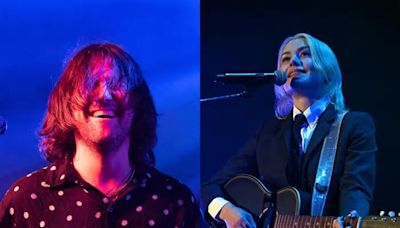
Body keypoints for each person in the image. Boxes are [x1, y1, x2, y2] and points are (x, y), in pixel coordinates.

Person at [0, 43, 199, 227]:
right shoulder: (25, 200)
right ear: (67, 104)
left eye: (118, 84)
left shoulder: (176, 201)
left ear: (139, 104)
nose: (104, 95)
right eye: (91, 84)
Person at [201, 33, 376, 227]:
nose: (293, 61)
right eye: (285, 58)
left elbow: (355, 187)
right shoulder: (268, 132)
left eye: (304, 54)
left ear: (327, 70)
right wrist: (228, 210)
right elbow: (212, 186)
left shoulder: (353, 125)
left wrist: (352, 218)